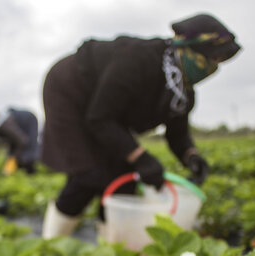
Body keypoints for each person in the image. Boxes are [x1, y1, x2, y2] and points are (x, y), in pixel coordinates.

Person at [39, 13, 241, 239]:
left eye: (218, 63)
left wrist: (190, 156)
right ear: (187, 48)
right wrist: (141, 157)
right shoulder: (139, 61)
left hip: (107, 113)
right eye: (211, 59)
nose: (213, 67)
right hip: (71, 92)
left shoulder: (181, 91)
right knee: (89, 174)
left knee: (123, 179)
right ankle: (52, 248)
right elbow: (100, 118)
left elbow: (178, 133)